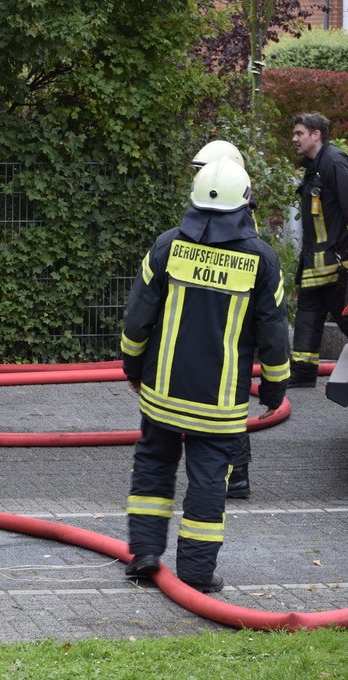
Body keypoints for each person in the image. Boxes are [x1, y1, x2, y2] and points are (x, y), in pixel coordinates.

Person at [120, 157, 289, 593]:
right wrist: (274, 387)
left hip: (162, 392)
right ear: (246, 203)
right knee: (210, 481)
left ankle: (144, 555)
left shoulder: (167, 246)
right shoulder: (262, 259)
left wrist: (133, 367)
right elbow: (273, 333)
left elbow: (138, 318)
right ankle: (194, 573)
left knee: (153, 469)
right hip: (219, 404)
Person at [191, 140, 253, 499]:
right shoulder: (235, 208)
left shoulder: (233, 219)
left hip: (229, 330)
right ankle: (233, 473)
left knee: (230, 404)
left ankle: (237, 474)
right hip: (226, 327)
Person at [288, 112, 348, 388]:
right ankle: (302, 373)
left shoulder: (334, 162)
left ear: (316, 135)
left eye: (300, 133)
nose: (294, 138)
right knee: (307, 314)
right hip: (315, 262)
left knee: (343, 316)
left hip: (336, 264)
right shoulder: (314, 167)